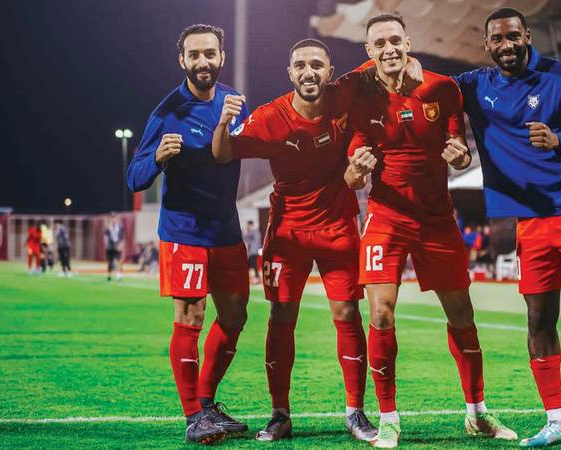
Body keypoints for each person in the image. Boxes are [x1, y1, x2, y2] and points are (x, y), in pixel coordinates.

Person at [211, 38, 419, 442]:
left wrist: (413, 65)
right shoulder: (270, 116)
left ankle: (355, 412)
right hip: (287, 233)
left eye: (317, 65)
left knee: (347, 313)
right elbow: (222, 153)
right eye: (301, 65)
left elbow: (384, 59)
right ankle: (280, 414)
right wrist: (222, 123)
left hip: (338, 226)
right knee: (281, 317)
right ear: (290, 73)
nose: (309, 72)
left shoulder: (343, 93)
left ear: (330, 71)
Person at [343, 14, 515, 448]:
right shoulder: (359, 94)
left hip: (437, 219)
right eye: (379, 43)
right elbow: (352, 174)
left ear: (408, 42)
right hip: (386, 216)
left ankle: (477, 413)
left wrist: (461, 159)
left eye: (395, 40)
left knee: (462, 315)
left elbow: (460, 150)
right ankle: (388, 419)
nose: (388, 49)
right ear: (369, 51)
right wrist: (356, 171)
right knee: (380, 314)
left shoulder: (443, 89)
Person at [452, 8, 561, 449]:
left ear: (527, 36)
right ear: (487, 45)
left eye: (512, 36)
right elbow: (429, 87)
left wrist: (560, 140)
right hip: (529, 220)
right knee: (539, 319)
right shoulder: (476, 85)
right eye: (497, 39)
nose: (506, 45)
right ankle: (557, 422)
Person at [127, 23, 250, 445]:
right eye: (194, 55)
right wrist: (157, 159)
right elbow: (134, 178)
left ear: (221, 57)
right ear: (182, 60)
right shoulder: (167, 112)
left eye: (209, 54)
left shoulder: (235, 104)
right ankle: (194, 416)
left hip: (226, 230)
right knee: (191, 318)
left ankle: (207, 404)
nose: (202, 62)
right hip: (184, 231)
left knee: (234, 318)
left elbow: (238, 150)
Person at [104, 213, 124, 281]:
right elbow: (105, 233)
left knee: (119, 261)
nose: (113, 219)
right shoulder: (108, 226)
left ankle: (119, 276)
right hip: (110, 247)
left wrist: (121, 243)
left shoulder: (119, 226)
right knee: (110, 261)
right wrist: (108, 228)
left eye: (114, 218)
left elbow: (121, 236)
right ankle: (109, 275)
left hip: (117, 246)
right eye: (112, 218)